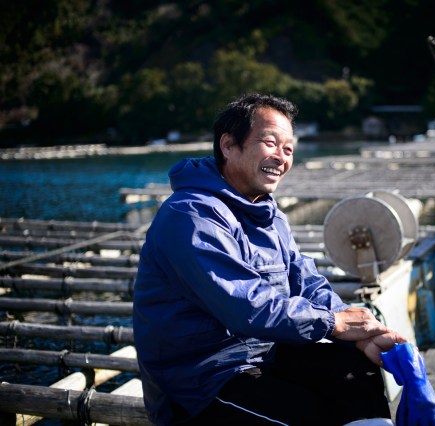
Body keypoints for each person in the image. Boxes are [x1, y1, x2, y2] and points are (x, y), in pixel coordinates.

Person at [133, 93, 407, 425]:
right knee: (310, 413)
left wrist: (359, 332)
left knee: (356, 371)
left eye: (288, 149)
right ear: (229, 146)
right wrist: (332, 324)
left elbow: (305, 281)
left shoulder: (267, 211)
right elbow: (245, 306)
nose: (281, 157)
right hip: (201, 379)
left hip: (266, 353)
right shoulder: (190, 215)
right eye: (270, 143)